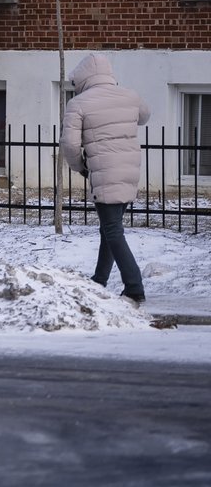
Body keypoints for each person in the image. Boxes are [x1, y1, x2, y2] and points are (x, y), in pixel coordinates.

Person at [59, 53, 151, 304]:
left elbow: (69, 144)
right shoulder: (129, 96)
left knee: (112, 230)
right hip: (129, 170)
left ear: (83, 79)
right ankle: (99, 280)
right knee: (110, 229)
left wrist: (80, 167)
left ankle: (134, 287)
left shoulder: (79, 104)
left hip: (104, 170)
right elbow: (144, 116)